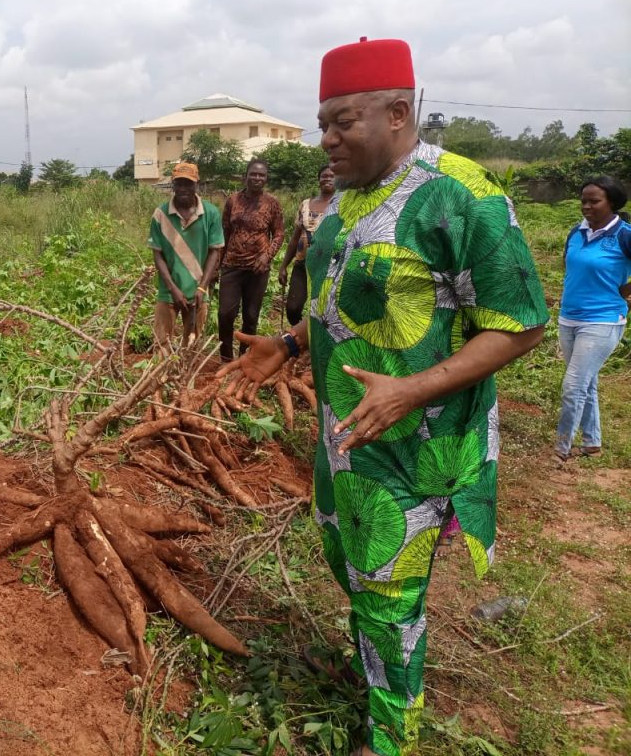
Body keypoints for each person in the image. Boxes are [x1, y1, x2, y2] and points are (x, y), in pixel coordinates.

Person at [218, 37, 549, 756]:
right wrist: (292, 344)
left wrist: (412, 390)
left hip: (416, 452)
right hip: (348, 441)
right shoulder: (342, 208)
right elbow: (339, 302)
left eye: (342, 122)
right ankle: (372, 676)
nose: (326, 139)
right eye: (322, 123)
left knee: (394, 599)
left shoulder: (463, 197)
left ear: (398, 112)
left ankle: (390, 739)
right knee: (357, 573)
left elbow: (520, 325)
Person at [554, 177, 631, 461]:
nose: (586, 206)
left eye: (594, 201)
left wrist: (627, 289)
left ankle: (561, 450)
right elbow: (568, 264)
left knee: (573, 386)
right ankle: (592, 441)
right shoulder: (577, 231)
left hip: (604, 319)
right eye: (583, 200)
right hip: (569, 318)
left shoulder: (624, 234)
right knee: (587, 381)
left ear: (612, 202)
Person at [148, 161, 224, 348]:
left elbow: (214, 252)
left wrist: (202, 288)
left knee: (192, 344)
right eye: (179, 183)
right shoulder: (160, 215)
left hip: (198, 291)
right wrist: (173, 289)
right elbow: (158, 256)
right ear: (172, 184)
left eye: (188, 183)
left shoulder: (211, 213)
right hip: (168, 291)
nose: (183, 188)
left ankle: (186, 376)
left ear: (196, 184)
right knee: (162, 342)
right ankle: (162, 377)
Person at [218, 160, 284, 361]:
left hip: (258, 268)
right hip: (232, 265)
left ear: (266, 178)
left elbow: (279, 234)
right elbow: (225, 232)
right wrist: (217, 265)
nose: (257, 178)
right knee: (225, 314)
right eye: (253, 174)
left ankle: (246, 358)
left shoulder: (272, 203)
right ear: (245, 176)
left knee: (251, 316)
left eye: (261, 175)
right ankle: (226, 358)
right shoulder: (233, 201)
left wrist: (267, 256)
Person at [279, 165, 336, 324]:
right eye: (324, 176)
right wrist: (283, 266)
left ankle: (314, 343)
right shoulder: (305, 204)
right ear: (318, 179)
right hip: (302, 265)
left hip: (327, 267)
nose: (328, 179)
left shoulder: (341, 205)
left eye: (332, 176)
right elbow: (295, 239)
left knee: (322, 311)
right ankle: (301, 340)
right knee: (293, 309)